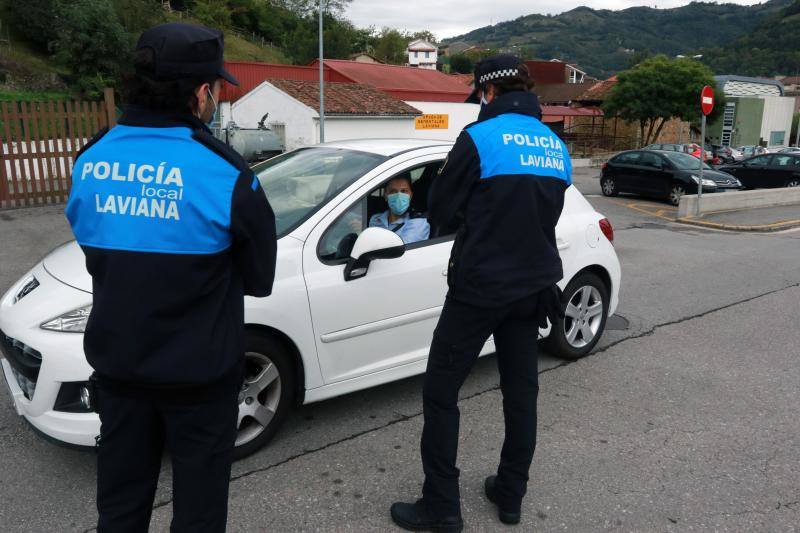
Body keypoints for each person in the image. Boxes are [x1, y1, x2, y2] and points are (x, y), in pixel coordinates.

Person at [64, 23, 277, 533]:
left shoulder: (90, 159)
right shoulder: (227, 174)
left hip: (118, 368)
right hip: (199, 378)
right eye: (216, 89)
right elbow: (260, 278)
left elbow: (97, 252)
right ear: (202, 93)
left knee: (119, 507)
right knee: (199, 513)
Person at [390, 55, 571, 532]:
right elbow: (545, 213)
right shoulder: (555, 143)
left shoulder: (480, 137)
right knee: (520, 393)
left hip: (480, 288)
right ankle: (510, 495)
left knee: (441, 392)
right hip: (533, 288)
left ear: (487, 93)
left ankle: (442, 507)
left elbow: (441, 212)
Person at [368, 175, 430, 244]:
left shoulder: (418, 223)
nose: (399, 196)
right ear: (385, 195)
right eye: (393, 191)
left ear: (411, 195)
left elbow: (397, 250)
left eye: (404, 191)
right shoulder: (375, 219)